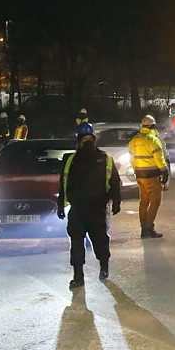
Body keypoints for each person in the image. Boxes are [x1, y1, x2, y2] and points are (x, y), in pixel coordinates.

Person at [58, 123, 122, 288]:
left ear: (93, 139)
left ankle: (104, 265)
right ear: (78, 141)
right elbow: (63, 183)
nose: (86, 142)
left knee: (100, 241)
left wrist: (116, 201)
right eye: (84, 139)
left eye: (88, 139)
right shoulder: (70, 159)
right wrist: (60, 205)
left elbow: (115, 182)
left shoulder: (105, 158)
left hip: (97, 209)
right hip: (77, 210)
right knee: (77, 243)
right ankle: (78, 276)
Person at [128, 115, 169, 238]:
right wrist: (164, 171)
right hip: (152, 175)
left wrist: (137, 169)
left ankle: (143, 228)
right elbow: (159, 159)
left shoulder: (134, 140)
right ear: (153, 126)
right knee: (155, 201)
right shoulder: (153, 140)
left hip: (140, 175)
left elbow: (131, 158)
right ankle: (148, 228)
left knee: (144, 201)